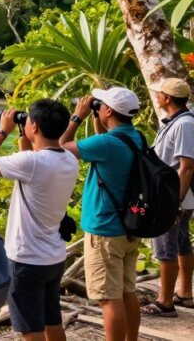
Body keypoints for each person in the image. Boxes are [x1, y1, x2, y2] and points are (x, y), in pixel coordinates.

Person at [0, 99, 77, 341]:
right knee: (51, 320)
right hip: (53, 257)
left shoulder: (32, 163)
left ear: (34, 126)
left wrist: (3, 130)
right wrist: (25, 135)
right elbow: (31, 166)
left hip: (26, 259)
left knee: (30, 328)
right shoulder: (68, 159)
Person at [60, 87, 143, 341]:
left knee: (109, 298)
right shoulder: (135, 137)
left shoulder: (105, 143)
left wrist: (77, 116)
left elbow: (60, 147)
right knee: (128, 292)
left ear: (107, 110)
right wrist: (99, 121)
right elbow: (106, 150)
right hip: (129, 227)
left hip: (105, 230)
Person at [142, 78, 194, 317]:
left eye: (160, 94)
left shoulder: (183, 124)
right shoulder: (176, 121)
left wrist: (175, 202)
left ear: (169, 98)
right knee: (181, 243)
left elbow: (186, 166)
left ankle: (165, 301)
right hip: (177, 195)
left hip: (174, 196)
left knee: (166, 247)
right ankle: (184, 293)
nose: (158, 97)